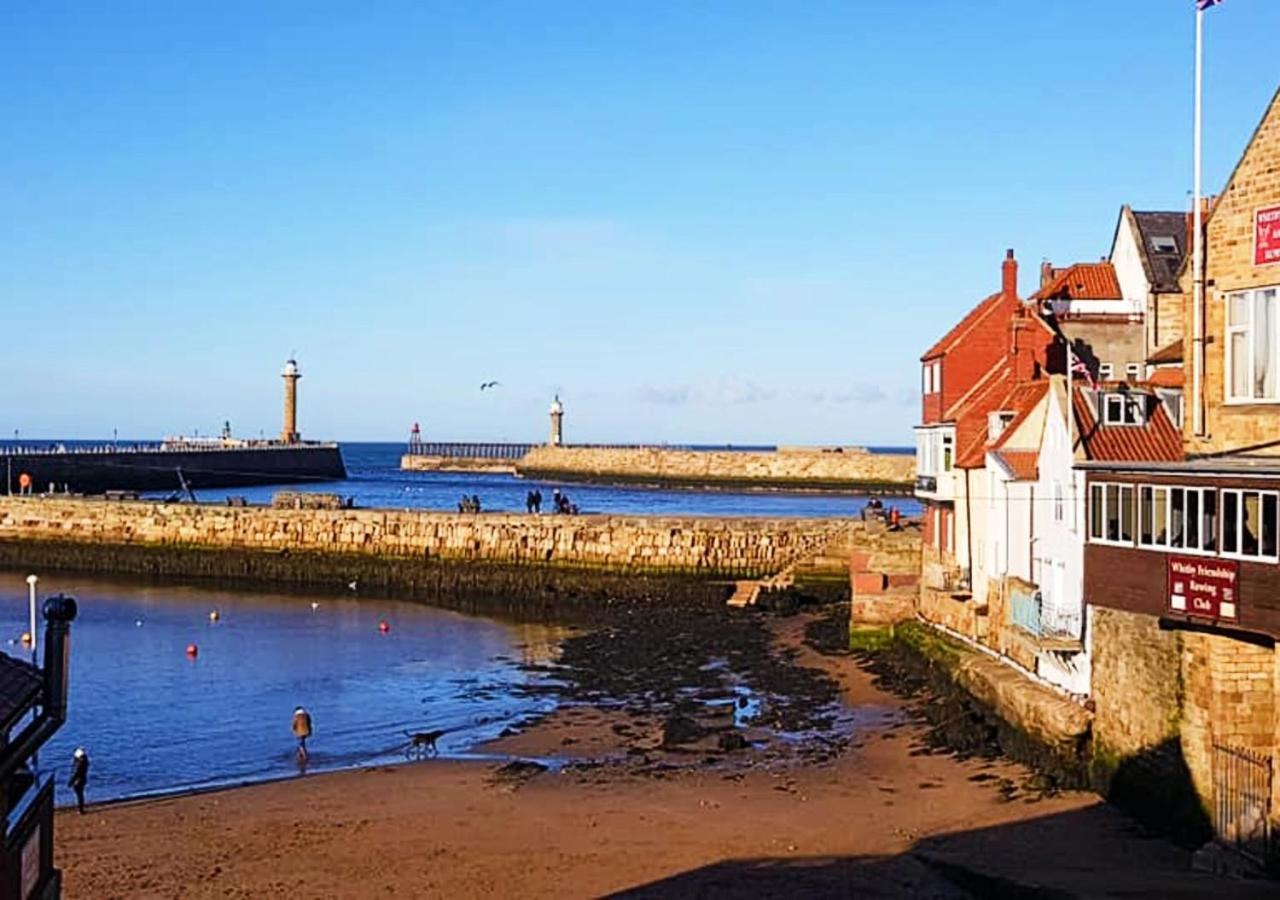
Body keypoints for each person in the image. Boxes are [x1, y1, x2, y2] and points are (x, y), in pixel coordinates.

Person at [69, 747, 90, 814]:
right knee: (80, 795)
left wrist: (71, 781)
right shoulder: (85, 761)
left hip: (78, 781)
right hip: (83, 779)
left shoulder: (79, 763)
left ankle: (80, 809)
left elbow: (75, 773)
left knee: (79, 795)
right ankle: (81, 808)